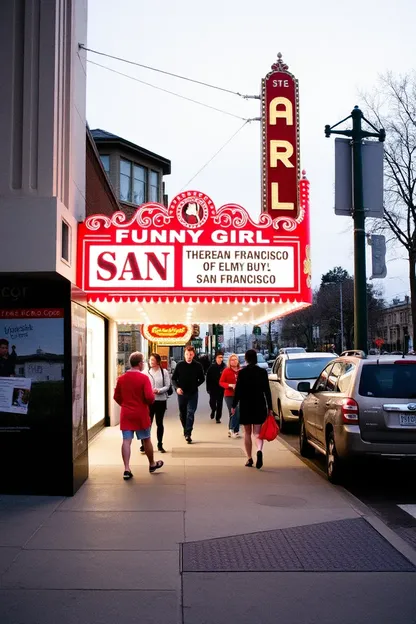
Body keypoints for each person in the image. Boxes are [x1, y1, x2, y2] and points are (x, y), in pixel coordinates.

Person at [113, 351, 164, 480]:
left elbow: (116, 397)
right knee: (146, 439)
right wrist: (149, 400)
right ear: (140, 364)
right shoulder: (143, 378)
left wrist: (125, 404)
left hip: (126, 414)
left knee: (126, 441)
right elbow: (149, 397)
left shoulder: (122, 378)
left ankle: (126, 469)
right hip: (141, 413)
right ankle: (152, 464)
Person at [231, 349, 273, 469]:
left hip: (246, 404)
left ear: (246, 359)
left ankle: (249, 459)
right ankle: (259, 450)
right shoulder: (263, 372)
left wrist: (234, 405)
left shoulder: (242, 373)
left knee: (247, 433)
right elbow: (267, 391)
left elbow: (238, 390)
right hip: (259, 404)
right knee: (257, 433)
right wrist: (270, 407)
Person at [171, 345, 205, 443]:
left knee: (190, 412)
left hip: (193, 393)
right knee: (183, 413)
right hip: (181, 393)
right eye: (187, 354)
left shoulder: (198, 365)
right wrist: (177, 388)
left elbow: (202, 378)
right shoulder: (180, 365)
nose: (188, 356)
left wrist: (195, 385)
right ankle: (185, 428)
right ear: (184, 354)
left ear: (193, 354)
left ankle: (188, 433)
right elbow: (173, 379)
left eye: (190, 354)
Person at [144, 352, 170, 454]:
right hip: (149, 401)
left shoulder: (164, 372)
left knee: (159, 423)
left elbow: (167, 386)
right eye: (150, 360)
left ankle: (160, 444)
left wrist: (159, 390)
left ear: (158, 362)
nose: (151, 362)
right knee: (148, 423)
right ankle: (145, 444)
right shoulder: (146, 373)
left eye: (153, 360)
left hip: (161, 400)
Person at [219, 353, 241, 438]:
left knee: (238, 412)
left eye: (235, 359)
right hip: (229, 394)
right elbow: (221, 382)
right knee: (233, 411)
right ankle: (232, 429)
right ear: (229, 362)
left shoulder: (240, 371)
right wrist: (229, 385)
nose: (234, 361)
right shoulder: (226, 371)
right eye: (232, 360)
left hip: (239, 394)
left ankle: (235, 430)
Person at [206, 351, 226, 423]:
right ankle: (213, 409)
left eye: (222, 357)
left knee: (220, 403)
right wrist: (208, 388)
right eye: (219, 357)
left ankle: (218, 418)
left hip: (221, 388)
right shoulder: (212, 367)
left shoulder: (224, 367)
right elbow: (208, 378)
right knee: (212, 402)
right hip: (213, 388)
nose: (221, 359)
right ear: (216, 358)